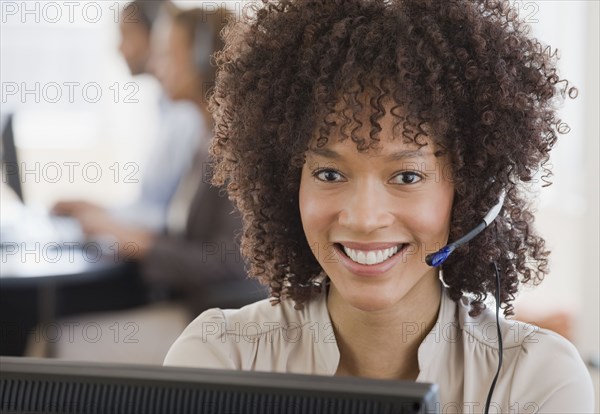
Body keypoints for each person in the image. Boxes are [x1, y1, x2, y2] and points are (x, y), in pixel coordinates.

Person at [164, 0, 595, 412]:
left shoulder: (537, 378)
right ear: (283, 183)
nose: (364, 218)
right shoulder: (220, 357)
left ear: (472, 193)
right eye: (329, 175)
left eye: (407, 176)